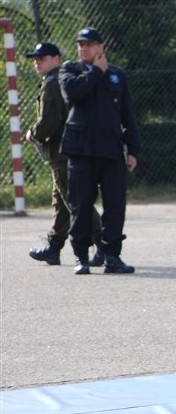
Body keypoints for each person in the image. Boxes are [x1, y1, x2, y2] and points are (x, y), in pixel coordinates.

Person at [58, 27, 141, 275]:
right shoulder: (70, 70)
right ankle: (81, 256)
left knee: (115, 206)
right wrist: (95, 71)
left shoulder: (117, 75)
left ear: (101, 47)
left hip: (111, 151)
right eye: (81, 44)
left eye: (89, 44)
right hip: (81, 151)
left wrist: (134, 149)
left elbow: (128, 114)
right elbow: (72, 93)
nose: (84, 48)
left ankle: (112, 255)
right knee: (81, 205)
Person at [24, 41, 104, 267]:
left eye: (43, 57)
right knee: (60, 200)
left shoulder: (52, 82)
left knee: (75, 201)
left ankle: (103, 242)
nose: (37, 62)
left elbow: (49, 121)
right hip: (68, 150)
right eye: (36, 58)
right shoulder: (63, 79)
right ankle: (54, 246)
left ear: (56, 58)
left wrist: (33, 133)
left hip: (62, 152)